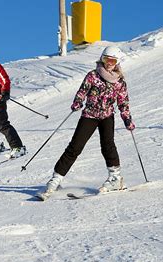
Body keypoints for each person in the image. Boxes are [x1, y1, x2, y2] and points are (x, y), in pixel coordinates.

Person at [37, 46, 135, 200]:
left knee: (108, 146)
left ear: (117, 62)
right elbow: (82, 91)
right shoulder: (93, 76)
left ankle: (116, 179)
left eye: (112, 60)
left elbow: (123, 103)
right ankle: (55, 180)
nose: (109, 63)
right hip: (89, 115)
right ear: (101, 59)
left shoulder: (120, 82)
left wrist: (127, 118)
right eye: (106, 59)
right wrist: (77, 102)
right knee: (75, 147)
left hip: (107, 117)